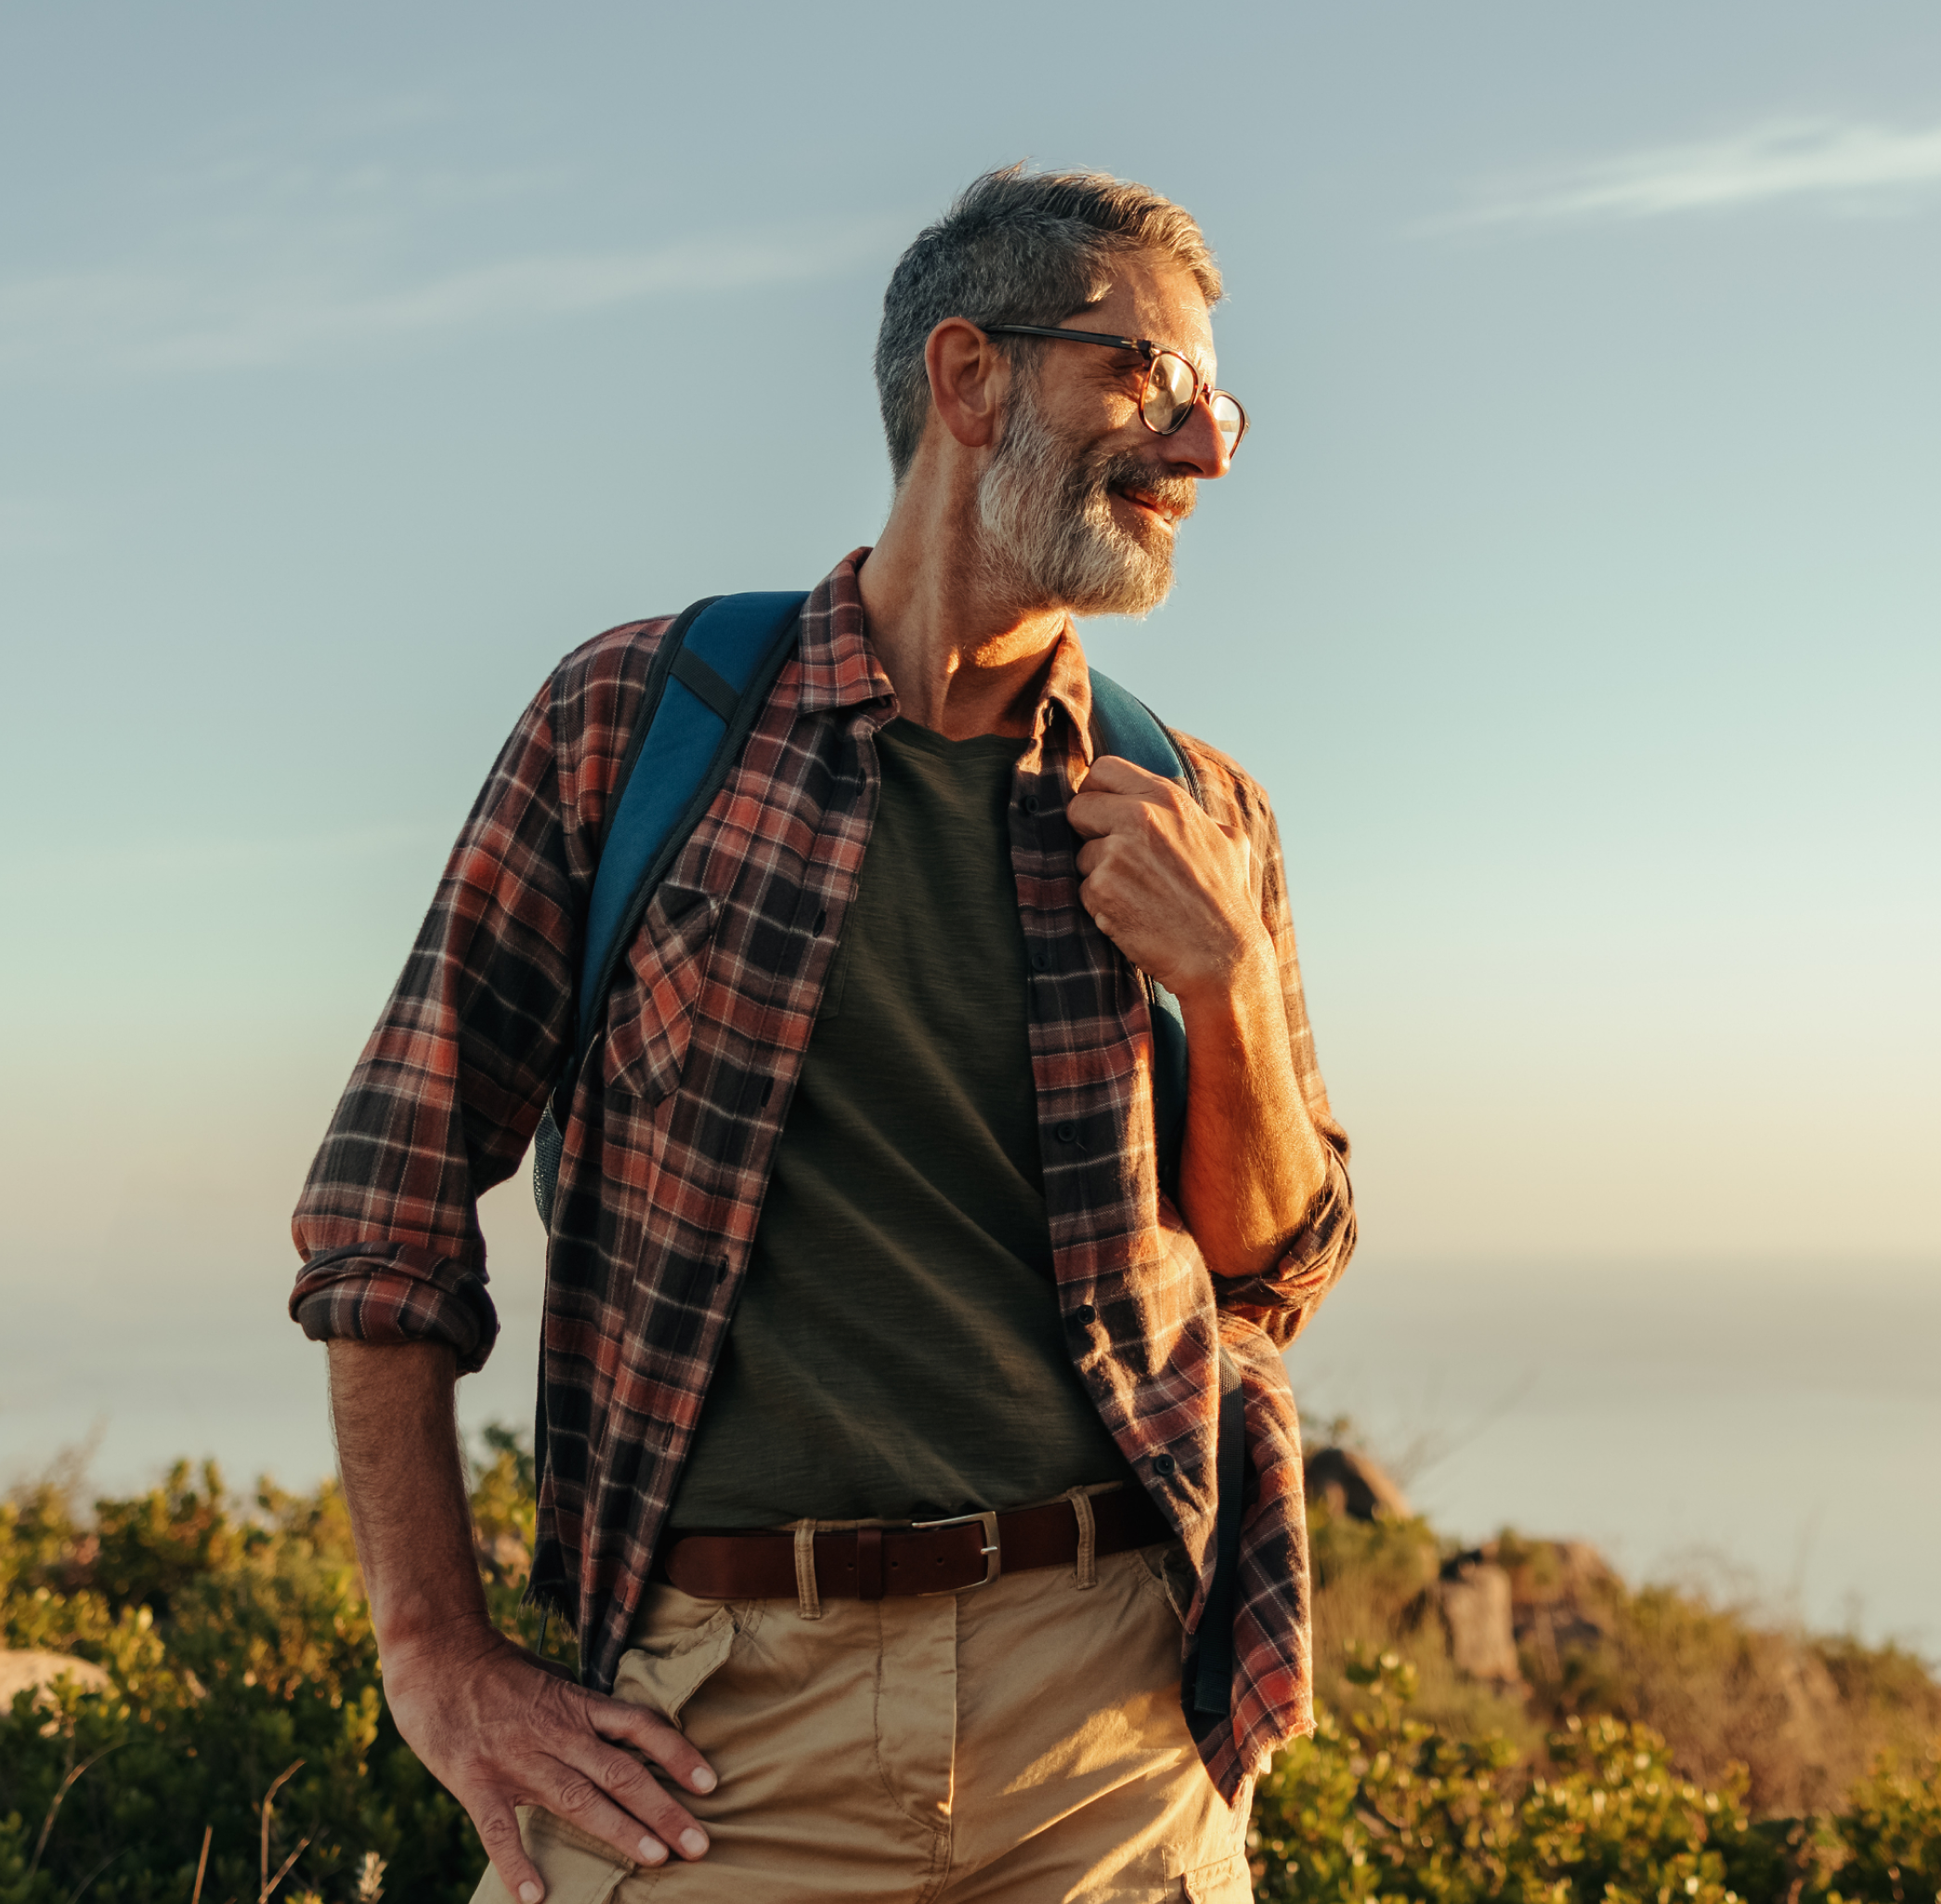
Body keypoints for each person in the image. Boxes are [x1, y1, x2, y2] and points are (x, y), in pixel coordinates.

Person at [291, 164, 1355, 1904]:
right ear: (969, 376)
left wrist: (1229, 981)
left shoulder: (1196, 807)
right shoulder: (638, 721)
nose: (1201, 448)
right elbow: (385, 1201)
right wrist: (436, 1652)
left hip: (1101, 1732)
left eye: (1216, 403)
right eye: (1148, 376)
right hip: (711, 1729)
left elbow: (1274, 1264)